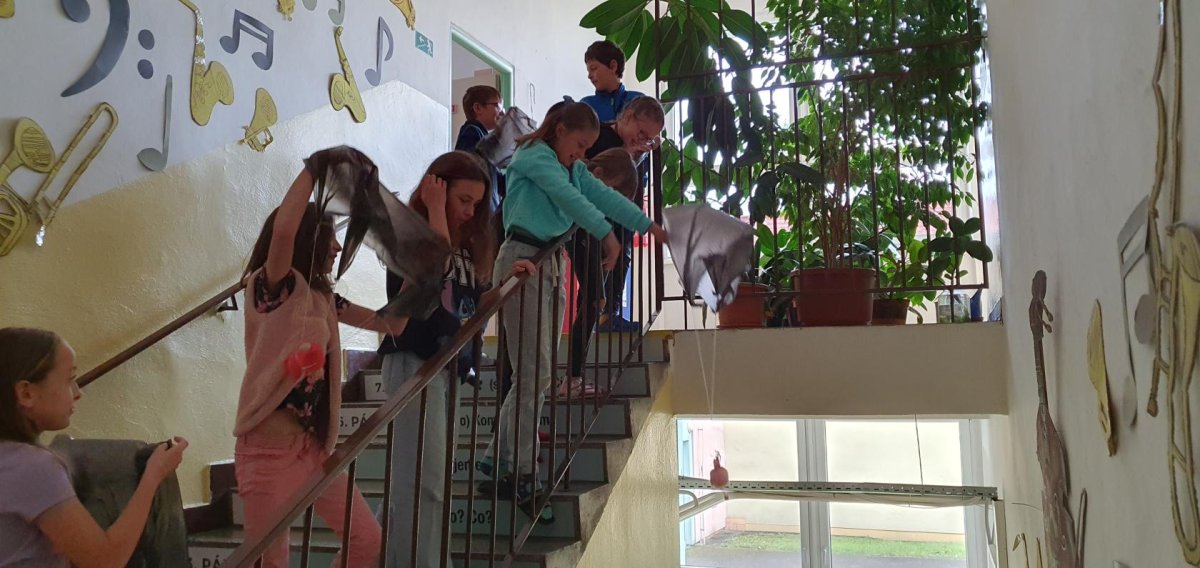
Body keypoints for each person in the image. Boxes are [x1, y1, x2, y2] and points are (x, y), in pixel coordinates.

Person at [475, 102, 667, 523]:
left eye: (585, 149)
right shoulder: (534, 156)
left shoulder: (570, 167)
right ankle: (523, 473)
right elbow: (569, 200)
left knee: (535, 374)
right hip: (523, 259)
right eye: (579, 145)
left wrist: (650, 227)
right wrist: (607, 236)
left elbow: (603, 196)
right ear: (559, 129)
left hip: (549, 262)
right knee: (534, 374)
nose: (581, 155)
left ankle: (498, 461)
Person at [233, 148, 409, 568]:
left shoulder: (324, 297)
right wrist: (316, 168)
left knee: (367, 541)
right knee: (270, 563)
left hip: (312, 450)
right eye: (328, 237)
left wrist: (416, 274)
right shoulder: (273, 288)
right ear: (306, 240)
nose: (336, 246)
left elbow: (392, 325)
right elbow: (282, 233)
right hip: (266, 454)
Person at [375, 151, 534, 568]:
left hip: (449, 364)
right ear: (437, 188)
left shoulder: (465, 244)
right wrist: (433, 209)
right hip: (415, 361)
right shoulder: (411, 233)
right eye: (463, 200)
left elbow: (466, 307)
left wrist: (505, 285)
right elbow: (434, 270)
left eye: (477, 204)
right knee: (423, 484)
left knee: (429, 481)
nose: (470, 211)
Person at [0, 327, 189, 568]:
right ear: (26, 393)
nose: (78, 393)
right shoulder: (32, 466)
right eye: (69, 379)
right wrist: (154, 475)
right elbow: (105, 561)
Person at [456, 85, 506, 209]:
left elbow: (496, 179)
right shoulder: (472, 132)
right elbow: (472, 170)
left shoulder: (483, 136)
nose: (503, 112)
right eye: (497, 106)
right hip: (480, 209)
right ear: (478, 108)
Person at [581, 40, 647, 123]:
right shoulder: (586, 106)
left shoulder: (639, 101)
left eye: (593, 68)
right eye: (588, 71)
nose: (589, 76)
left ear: (613, 66)